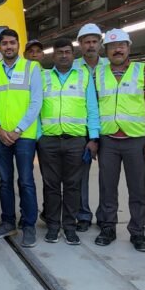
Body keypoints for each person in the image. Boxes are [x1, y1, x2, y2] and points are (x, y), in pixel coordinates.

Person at [94, 29, 145, 252]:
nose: (117, 49)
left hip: (135, 139)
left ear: (129, 48)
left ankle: (138, 233)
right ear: (107, 51)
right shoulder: (98, 75)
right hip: (108, 139)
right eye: (112, 47)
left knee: (137, 189)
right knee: (107, 187)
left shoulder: (143, 72)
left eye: (121, 45)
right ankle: (108, 227)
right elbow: (93, 107)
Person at [37, 38, 99, 245]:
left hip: (76, 141)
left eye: (67, 52)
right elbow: (35, 108)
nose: (64, 55)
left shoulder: (84, 77)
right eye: (59, 52)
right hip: (49, 140)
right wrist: (39, 137)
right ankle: (53, 226)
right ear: (53, 56)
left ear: (74, 55)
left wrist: (93, 138)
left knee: (73, 186)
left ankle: (70, 227)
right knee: (51, 185)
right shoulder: (43, 77)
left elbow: (92, 109)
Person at [0, 29, 42, 247]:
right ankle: (8, 222)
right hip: (0, 136)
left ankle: (29, 226)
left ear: (18, 45)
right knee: (5, 182)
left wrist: (17, 129)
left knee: (26, 181)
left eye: (12, 43)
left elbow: (36, 102)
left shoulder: (31, 68)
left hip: (24, 136)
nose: (8, 47)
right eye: (4, 43)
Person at [72, 23, 109, 232]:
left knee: (107, 176)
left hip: (111, 126)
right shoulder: (73, 66)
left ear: (101, 44)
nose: (91, 45)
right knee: (81, 175)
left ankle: (105, 216)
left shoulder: (110, 65)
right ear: (80, 45)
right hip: (84, 128)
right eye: (86, 42)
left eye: (95, 41)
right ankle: (83, 214)